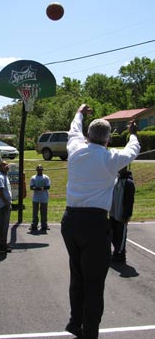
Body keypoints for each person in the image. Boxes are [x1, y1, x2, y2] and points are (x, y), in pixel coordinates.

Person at [61, 104, 140, 339]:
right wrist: (133, 132)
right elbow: (133, 150)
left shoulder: (75, 148)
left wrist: (78, 112)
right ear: (107, 141)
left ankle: (75, 323)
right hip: (94, 225)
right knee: (94, 283)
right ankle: (90, 332)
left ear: (88, 137)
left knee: (77, 276)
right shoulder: (111, 158)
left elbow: (73, 130)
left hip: (70, 221)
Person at [109, 166, 135, 263]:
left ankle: (120, 255)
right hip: (113, 213)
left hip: (121, 215)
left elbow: (130, 200)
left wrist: (126, 215)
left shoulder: (128, 182)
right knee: (113, 234)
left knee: (121, 235)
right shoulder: (116, 179)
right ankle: (116, 251)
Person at [0, 161, 12, 254]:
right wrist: (6, 202)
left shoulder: (5, 176)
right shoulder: (0, 177)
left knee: (5, 226)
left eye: (7, 164)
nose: (6, 166)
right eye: (4, 165)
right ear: (0, 168)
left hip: (6, 205)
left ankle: (3, 244)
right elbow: (0, 191)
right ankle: (0, 246)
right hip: (3, 205)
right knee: (1, 226)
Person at [29, 165, 51, 231]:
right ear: (36, 170)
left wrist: (42, 188)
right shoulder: (33, 177)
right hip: (36, 197)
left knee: (44, 212)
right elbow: (31, 187)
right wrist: (38, 188)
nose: (39, 170)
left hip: (44, 197)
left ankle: (44, 225)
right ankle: (34, 225)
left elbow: (48, 186)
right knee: (35, 212)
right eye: (38, 168)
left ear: (42, 169)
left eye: (41, 168)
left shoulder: (46, 177)